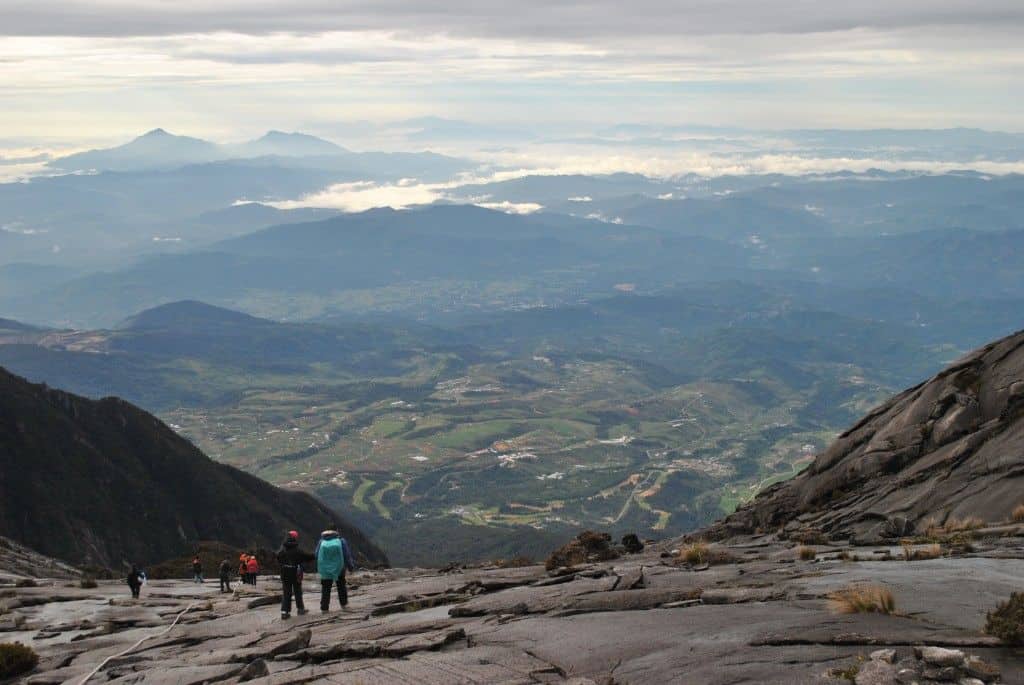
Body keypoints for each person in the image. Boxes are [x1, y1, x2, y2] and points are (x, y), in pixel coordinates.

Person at [276, 530, 314, 619]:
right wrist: (315, 554)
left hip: (285, 572)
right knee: (297, 591)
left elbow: (278, 558)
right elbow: (307, 557)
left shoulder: (282, 550)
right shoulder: (298, 550)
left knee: (286, 592)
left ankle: (285, 612)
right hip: (296, 573)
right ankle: (300, 609)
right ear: (295, 539)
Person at [315, 529, 356, 612]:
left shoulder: (321, 541)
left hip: (325, 569)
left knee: (326, 587)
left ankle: (324, 607)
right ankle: (344, 604)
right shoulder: (341, 541)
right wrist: (350, 567)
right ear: (336, 531)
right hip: (339, 568)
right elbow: (346, 555)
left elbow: (316, 554)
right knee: (341, 586)